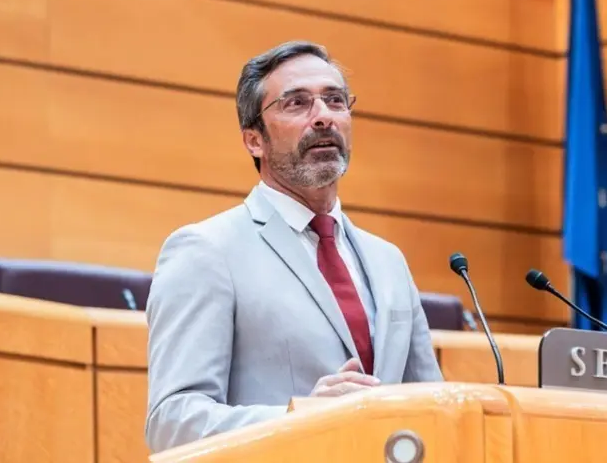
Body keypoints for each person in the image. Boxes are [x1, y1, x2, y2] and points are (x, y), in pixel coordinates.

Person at [144, 40, 443, 453]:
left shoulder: (388, 260)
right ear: (254, 140)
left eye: (335, 101)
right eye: (296, 104)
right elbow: (171, 422)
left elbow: (430, 406)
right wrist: (296, 418)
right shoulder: (206, 250)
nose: (323, 117)